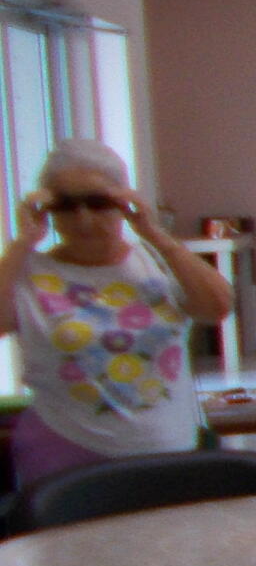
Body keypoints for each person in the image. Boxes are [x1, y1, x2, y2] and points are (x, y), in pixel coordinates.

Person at [0, 139, 235, 488]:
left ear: (124, 203)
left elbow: (216, 307)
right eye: (66, 205)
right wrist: (22, 242)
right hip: (65, 451)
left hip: (167, 449)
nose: (83, 218)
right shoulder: (26, 271)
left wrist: (156, 235)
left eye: (99, 203)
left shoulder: (155, 259)